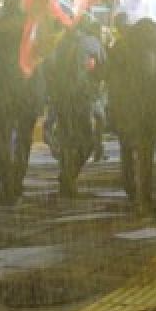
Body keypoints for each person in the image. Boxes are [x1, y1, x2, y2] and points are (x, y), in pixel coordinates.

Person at [0, 0, 43, 205]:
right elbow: (43, 55)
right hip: (27, 89)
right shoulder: (31, 28)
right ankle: (17, 183)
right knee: (24, 140)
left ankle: (6, 187)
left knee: (2, 140)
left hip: (0, 91)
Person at [104, 17, 156, 213]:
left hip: (123, 109)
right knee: (145, 156)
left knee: (127, 150)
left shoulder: (120, 48)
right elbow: (155, 83)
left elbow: (108, 76)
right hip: (144, 111)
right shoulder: (151, 51)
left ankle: (131, 189)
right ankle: (143, 199)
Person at [44, 25, 100, 197]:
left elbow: (47, 71)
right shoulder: (91, 43)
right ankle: (69, 178)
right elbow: (104, 68)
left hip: (62, 98)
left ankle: (67, 179)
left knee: (67, 141)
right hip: (81, 98)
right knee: (88, 141)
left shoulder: (53, 45)